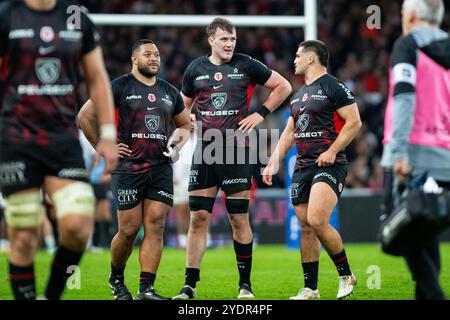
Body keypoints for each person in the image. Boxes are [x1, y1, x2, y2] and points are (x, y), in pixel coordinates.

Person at [0, 0, 117, 300]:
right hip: (16, 138)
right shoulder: (7, 14)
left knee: (78, 228)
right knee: (24, 234)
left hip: (62, 138)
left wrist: (107, 133)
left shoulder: (76, 16)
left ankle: (50, 296)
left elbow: (96, 77)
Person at [172, 17, 292, 300]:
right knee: (198, 217)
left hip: (235, 150)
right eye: (224, 39)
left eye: (233, 39)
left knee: (238, 219)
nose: (229, 44)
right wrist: (183, 124)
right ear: (211, 40)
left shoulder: (246, 64)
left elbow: (284, 86)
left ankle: (245, 286)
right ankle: (189, 285)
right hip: (204, 151)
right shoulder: (195, 69)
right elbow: (181, 110)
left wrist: (260, 113)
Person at [77, 39, 191, 300]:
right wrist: (104, 148)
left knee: (155, 226)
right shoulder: (119, 86)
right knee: (128, 230)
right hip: (128, 168)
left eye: (157, 54)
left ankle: (146, 289)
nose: (154, 58)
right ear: (134, 59)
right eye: (148, 54)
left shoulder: (169, 91)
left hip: (160, 167)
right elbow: (85, 116)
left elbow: (185, 126)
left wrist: (176, 146)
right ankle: (116, 278)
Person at [263, 40, 361, 300]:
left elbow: (354, 122)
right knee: (306, 227)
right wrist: (274, 160)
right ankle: (310, 288)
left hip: (329, 163)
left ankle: (345, 275)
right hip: (303, 165)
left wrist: (332, 150)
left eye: (297, 55)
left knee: (317, 219)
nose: (293, 60)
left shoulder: (334, 87)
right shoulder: (298, 95)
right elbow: (289, 132)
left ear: (310, 59)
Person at [380, 0, 449, 300]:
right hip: (444, 158)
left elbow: (404, 98)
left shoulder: (406, 45)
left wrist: (399, 152)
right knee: (425, 236)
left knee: (397, 233)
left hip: (412, 156)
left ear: (411, 15)